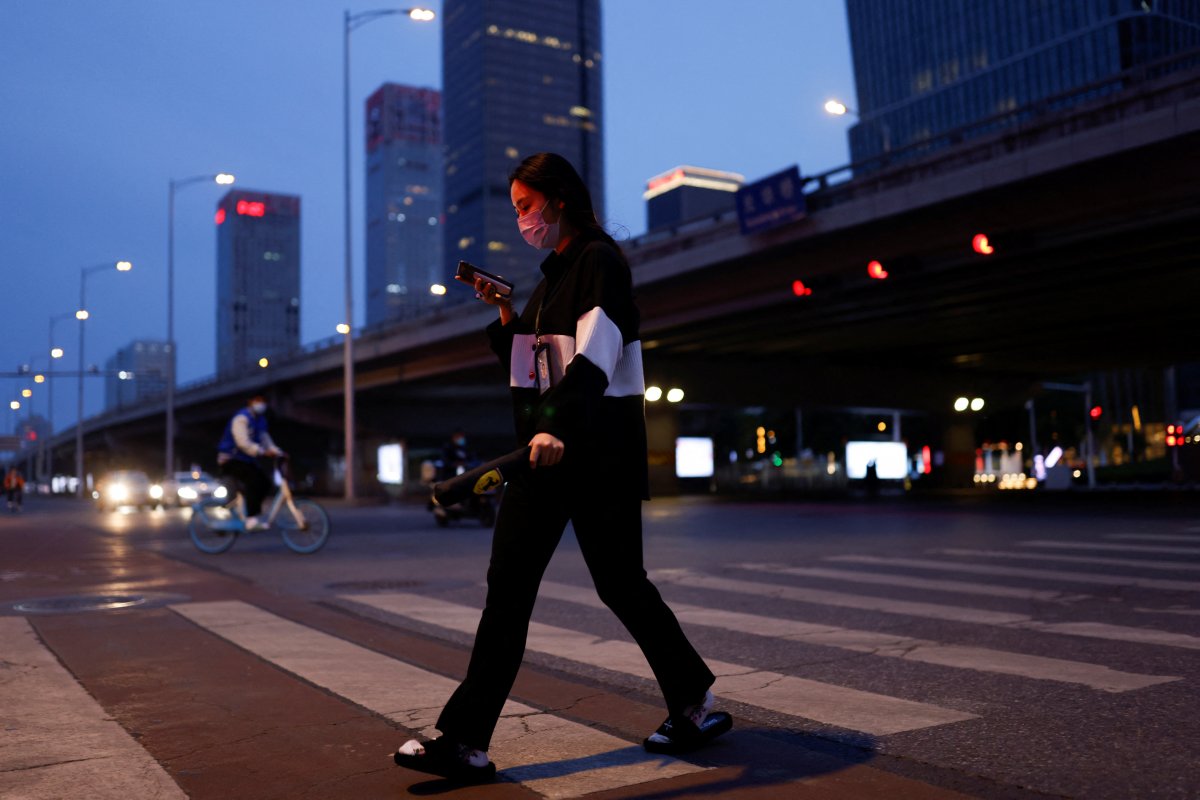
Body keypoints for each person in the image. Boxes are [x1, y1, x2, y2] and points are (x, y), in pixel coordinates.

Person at [394, 153, 730, 784]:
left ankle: (695, 704)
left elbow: (598, 351)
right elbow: (534, 376)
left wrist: (556, 425)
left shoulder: (599, 261)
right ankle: (464, 741)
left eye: (526, 205)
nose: (522, 218)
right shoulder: (550, 283)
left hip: (594, 454)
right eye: (518, 208)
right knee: (509, 588)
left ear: (558, 199)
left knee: (621, 584)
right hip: (544, 457)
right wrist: (505, 318)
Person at [216, 395, 283, 530]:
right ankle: (250, 519)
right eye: (258, 401)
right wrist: (262, 451)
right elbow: (242, 442)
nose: (261, 404)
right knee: (254, 481)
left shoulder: (261, 420)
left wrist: (277, 451)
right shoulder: (241, 418)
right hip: (230, 459)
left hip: (246, 460)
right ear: (250, 402)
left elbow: (265, 439)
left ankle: (251, 511)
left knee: (265, 483)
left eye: (264, 402)